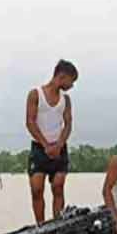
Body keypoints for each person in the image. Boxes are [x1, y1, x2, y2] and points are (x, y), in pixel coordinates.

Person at [26, 60, 77, 224]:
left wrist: (59, 144)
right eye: (72, 81)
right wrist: (46, 145)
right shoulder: (35, 94)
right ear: (62, 77)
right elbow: (30, 122)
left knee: (58, 186)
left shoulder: (66, 100)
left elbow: (68, 124)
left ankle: (58, 223)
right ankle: (40, 225)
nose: (72, 86)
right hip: (40, 148)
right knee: (37, 189)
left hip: (59, 147)